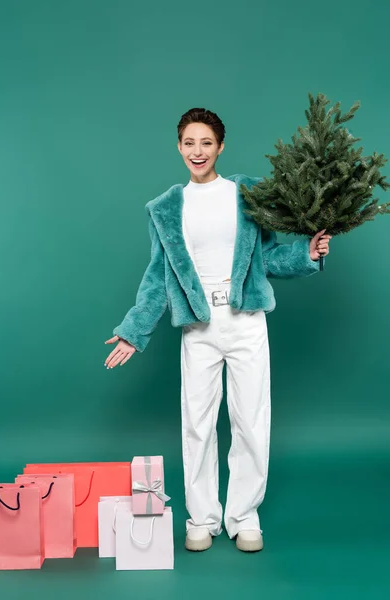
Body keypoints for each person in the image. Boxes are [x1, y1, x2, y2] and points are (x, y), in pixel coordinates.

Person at [104, 108, 332, 553]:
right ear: (179, 147)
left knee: (250, 421)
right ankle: (202, 518)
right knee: (198, 424)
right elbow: (158, 278)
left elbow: (267, 261)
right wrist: (134, 330)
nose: (197, 151)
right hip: (199, 326)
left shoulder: (247, 194)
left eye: (206, 142)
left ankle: (245, 515)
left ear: (220, 146)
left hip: (246, 321)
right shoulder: (166, 208)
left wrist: (306, 253)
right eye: (189, 143)